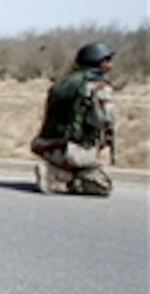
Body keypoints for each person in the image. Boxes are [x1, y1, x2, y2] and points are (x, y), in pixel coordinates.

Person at [30, 41, 118, 196]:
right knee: (103, 185)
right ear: (98, 61)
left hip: (46, 145)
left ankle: (54, 171)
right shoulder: (97, 86)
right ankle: (59, 175)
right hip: (74, 151)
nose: (111, 64)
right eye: (108, 60)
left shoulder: (63, 82)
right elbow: (104, 120)